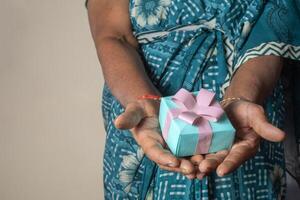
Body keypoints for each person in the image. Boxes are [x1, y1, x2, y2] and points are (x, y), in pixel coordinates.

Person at [86, 0, 300, 199]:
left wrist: (242, 96)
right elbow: (113, 34)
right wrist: (145, 99)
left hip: (249, 102)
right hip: (141, 103)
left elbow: (274, 27)